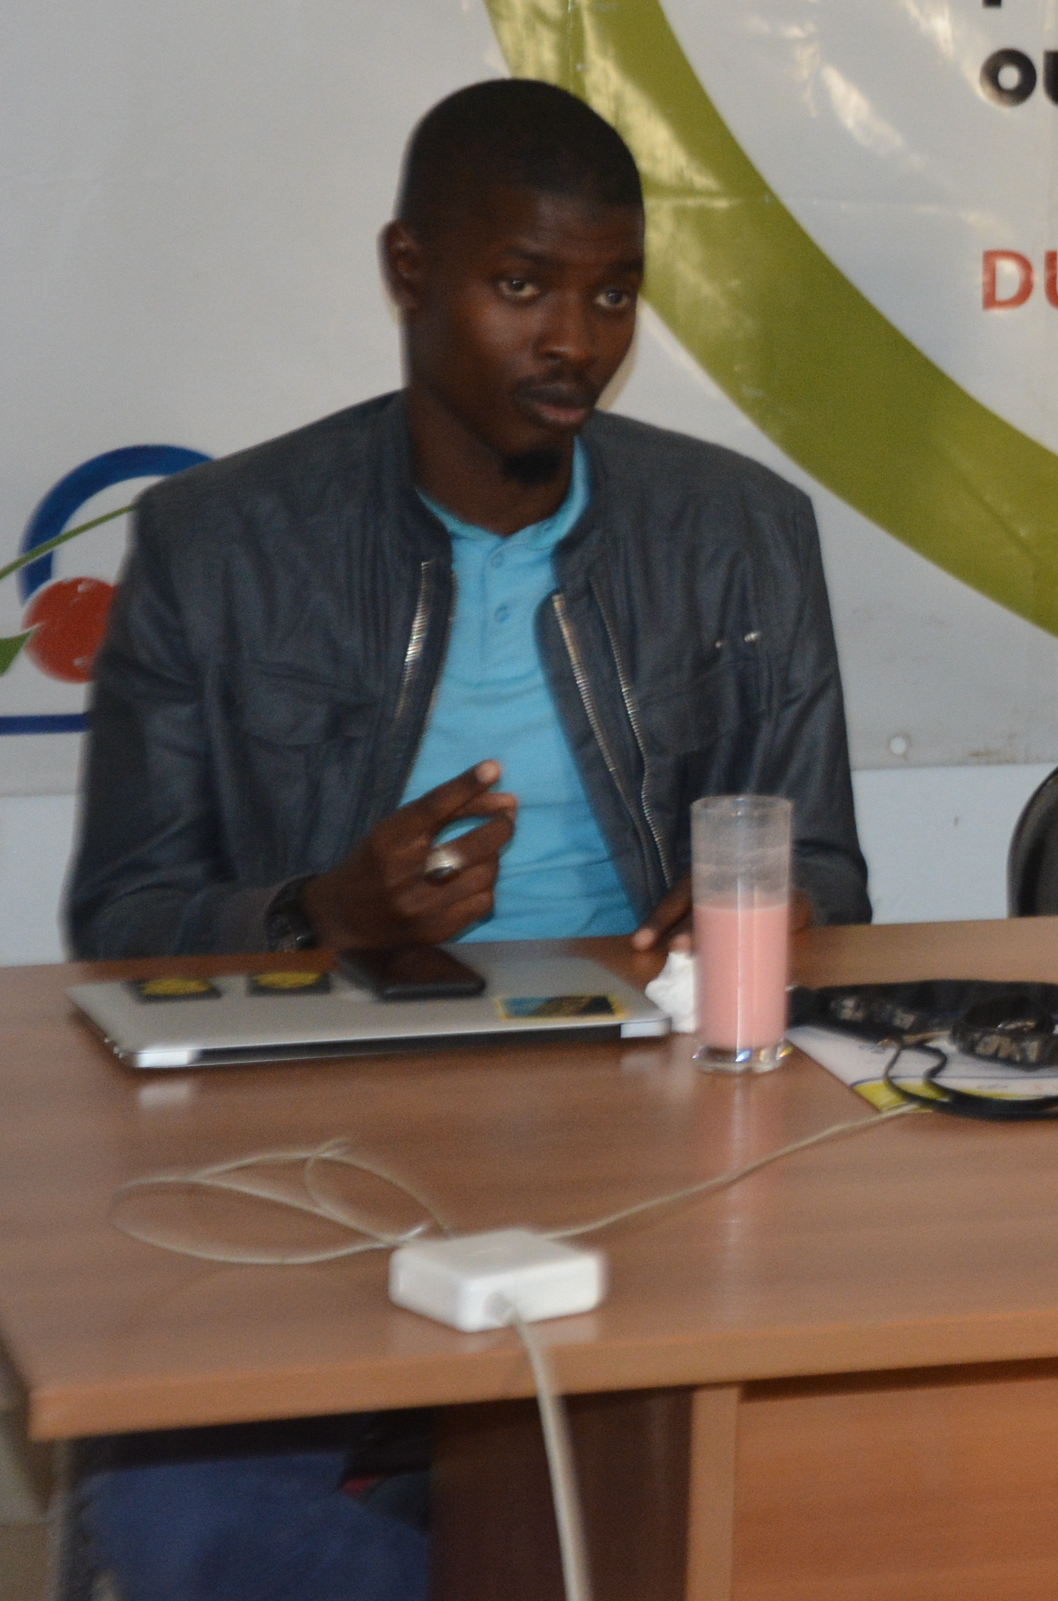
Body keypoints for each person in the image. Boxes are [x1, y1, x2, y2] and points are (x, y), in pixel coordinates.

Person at [64, 78, 871, 1601]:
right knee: (179, 1524)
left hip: (656, 1131)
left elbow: (823, 864)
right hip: (313, 1128)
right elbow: (125, 913)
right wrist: (326, 910)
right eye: (523, 286)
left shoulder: (737, 531)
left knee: (841, 1476)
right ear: (410, 269)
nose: (576, 340)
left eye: (614, 294)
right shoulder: (223, 540)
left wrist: (755, 910)